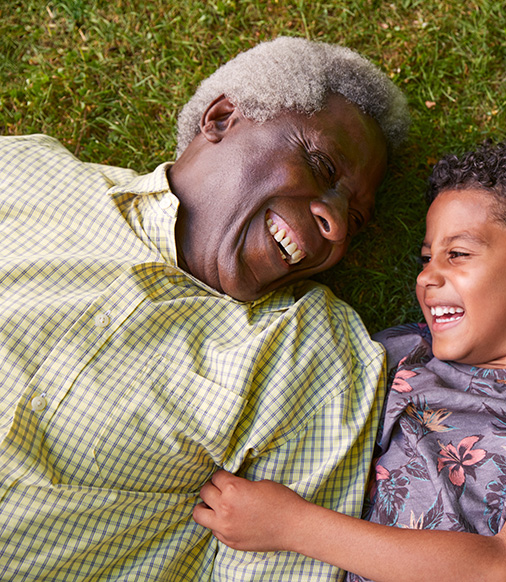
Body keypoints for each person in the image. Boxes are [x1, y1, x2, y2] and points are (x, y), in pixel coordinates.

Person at [0, 37, 408, 581]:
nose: (335, 226)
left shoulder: (307, 352)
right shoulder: (27, 174)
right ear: (220, 118)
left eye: (353, 220)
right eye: (319, 163)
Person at [193, 141, 506, 581]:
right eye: (426, 257)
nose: (428, 276)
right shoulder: (394, 356)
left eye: (458, 254)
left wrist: (290, 526)